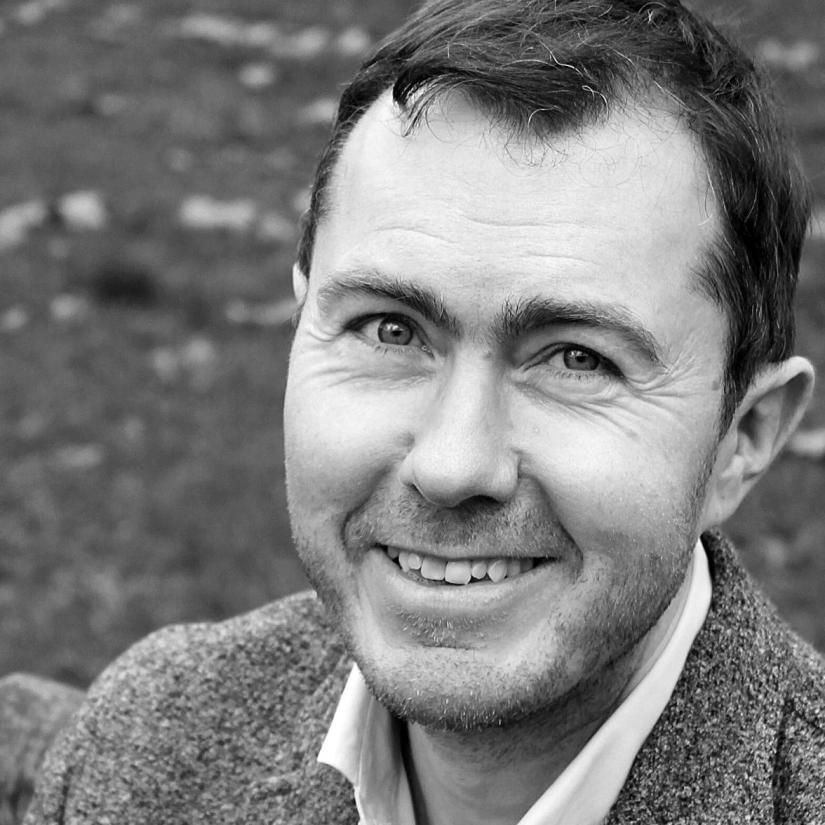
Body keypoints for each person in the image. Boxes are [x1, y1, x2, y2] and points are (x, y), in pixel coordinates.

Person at [24, 1, 825, 823]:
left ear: (744, 437)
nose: (450, 465)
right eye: (390, 329)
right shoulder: (144, 745)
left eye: (577, 358)